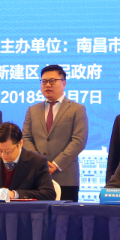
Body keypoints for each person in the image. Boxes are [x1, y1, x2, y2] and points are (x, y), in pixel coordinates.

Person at [22, 65, 88, 202]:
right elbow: (26, 138)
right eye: (44, 81)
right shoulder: (32, 110)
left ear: (64, 83)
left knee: (66, 215)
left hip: (65, 177)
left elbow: (79, 140)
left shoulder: (77, 109)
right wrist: (41, 163)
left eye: (52, 81)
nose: (47, 85)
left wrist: (56, 164)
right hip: (36, 177)